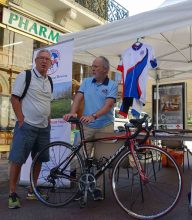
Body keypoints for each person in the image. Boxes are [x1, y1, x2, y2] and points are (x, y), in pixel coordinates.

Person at [63, 56, 118, 200]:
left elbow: (108, 106)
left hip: (105, 126)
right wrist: (73, 111)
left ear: (105, 69)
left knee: (101, 159)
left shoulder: (112, 84)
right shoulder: (87, 82)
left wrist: (94, 116)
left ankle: (97, 189)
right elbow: (78, 98)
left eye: (96, 66)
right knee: (81, 157)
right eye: (92, 66)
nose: (92, 68)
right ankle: (82, 188)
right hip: (86, 126)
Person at [8, 49, 53, 209]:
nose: (44, 61)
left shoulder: (49, 81)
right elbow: (14, 99)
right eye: (41, 58)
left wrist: (48, 120)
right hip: (26, 126)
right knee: (18, 159)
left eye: (47, 59)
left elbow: (46, 102)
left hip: (43, 128)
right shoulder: (25, 76)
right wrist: (21, 120)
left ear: (51, 63)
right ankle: (12, 193)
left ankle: (32, 189)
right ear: (35, 61)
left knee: (39, 159)